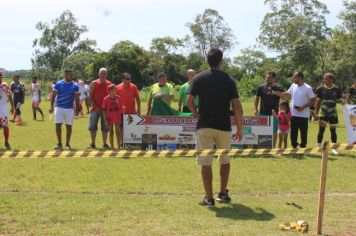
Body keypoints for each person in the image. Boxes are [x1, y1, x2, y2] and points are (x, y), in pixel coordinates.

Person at [187, 48, 243, 207]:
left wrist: (195, 113)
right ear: (221, 62)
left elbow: (189, 101)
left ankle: (209, 198)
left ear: (207, 61)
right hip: (224, 126)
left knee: (206, 162)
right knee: (224, 160)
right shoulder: (229, 80)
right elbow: (237, 107)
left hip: (204, 125)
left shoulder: (198, 78)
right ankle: (223, 194)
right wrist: (239, 129)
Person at [274, 71, 316, 148]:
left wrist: (303, 107)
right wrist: (276, 93)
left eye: (294, 77)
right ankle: (294, 146)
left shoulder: (308, 88)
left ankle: (303, 146)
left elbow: (313, 100)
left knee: (303, 132)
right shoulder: (293, 85)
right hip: (293, 114)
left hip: (303, 115)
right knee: (293, 132)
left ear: (300, 78)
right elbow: (287, 95)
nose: (293, 79)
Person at [49, 69, 80, 150]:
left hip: (70, 108)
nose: (71, 76)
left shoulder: (75, 85)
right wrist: (51, 106)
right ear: (65, 75)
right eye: (69, 75)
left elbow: (77, 99)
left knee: (69, 126)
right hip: (59, 107)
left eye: (71, 75)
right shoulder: (59, 84)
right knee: (58, 125)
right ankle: (59, 143)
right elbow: (53, 96)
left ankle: (67, 144)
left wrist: (77, 109)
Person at [315, 73, 344, 155]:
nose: (324, 80)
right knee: (321, 131)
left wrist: (343, 101)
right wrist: (316, 112)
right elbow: (318, 101)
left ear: (331, 79)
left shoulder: (337, 89)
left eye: (326, 79)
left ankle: (334, 149)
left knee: (333, 131)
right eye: (324, 78)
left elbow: (340, 99)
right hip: (323, 113)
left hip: (333, 114)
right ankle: (318, 148)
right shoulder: (320, 89)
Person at [254, 71, 285, 148]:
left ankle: (273, 148)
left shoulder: (279, 87)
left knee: (274, 131)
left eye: (269, 78)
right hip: (263, 112)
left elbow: (284, 97)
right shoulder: (261, 87)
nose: (267, 79)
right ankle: (263, 147)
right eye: (267, 77)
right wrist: (255, 109)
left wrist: (275, 93)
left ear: (274, 78)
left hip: (275, 113)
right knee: (263, 131)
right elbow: (257, 98)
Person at [88, 68, 112, 149]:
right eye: (101, 73)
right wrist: (96, 107)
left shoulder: (110, 84)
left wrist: (106, 108)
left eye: (104, 73)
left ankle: (105, 143)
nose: (102, 75)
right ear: (99, 74)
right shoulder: (94, 83)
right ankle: (93, 143)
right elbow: (90, 96)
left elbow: (111, 97)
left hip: (105, 110)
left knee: (105, 127)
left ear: (106, 74)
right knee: (92, 127)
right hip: (95, 109)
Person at [116, 72, 141, 147]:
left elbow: (138, 98)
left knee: (131, 127)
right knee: (121, 128)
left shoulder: (133, 87)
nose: (129, 80)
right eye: (127, 79)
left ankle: (131, 142)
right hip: (121, 112)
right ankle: (122, 143)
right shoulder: (117, 87)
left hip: (132, 112)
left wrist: (139, 109)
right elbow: (115, 99)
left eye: (130, 78)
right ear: (123, 79)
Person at [102, 84, 123, 149]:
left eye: (116, 89)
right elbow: (103, 110)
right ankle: (112, 147)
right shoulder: (105, 99)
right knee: (111, 132)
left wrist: (122, 111)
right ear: (110, 90)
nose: (116, 90)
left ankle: (119, 147)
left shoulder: (118, 98)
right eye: (114, 89)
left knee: (118, 132)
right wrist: (105, 120)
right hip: (109, 118)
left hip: (117, 117)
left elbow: (120, 107)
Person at [0, 72, 14, 149]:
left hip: (3, 109)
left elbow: (9, 95)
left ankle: (6, 142)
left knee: (5, 126)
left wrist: (12, 106)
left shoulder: (4, 85)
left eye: (0, 76)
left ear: (1, 77)